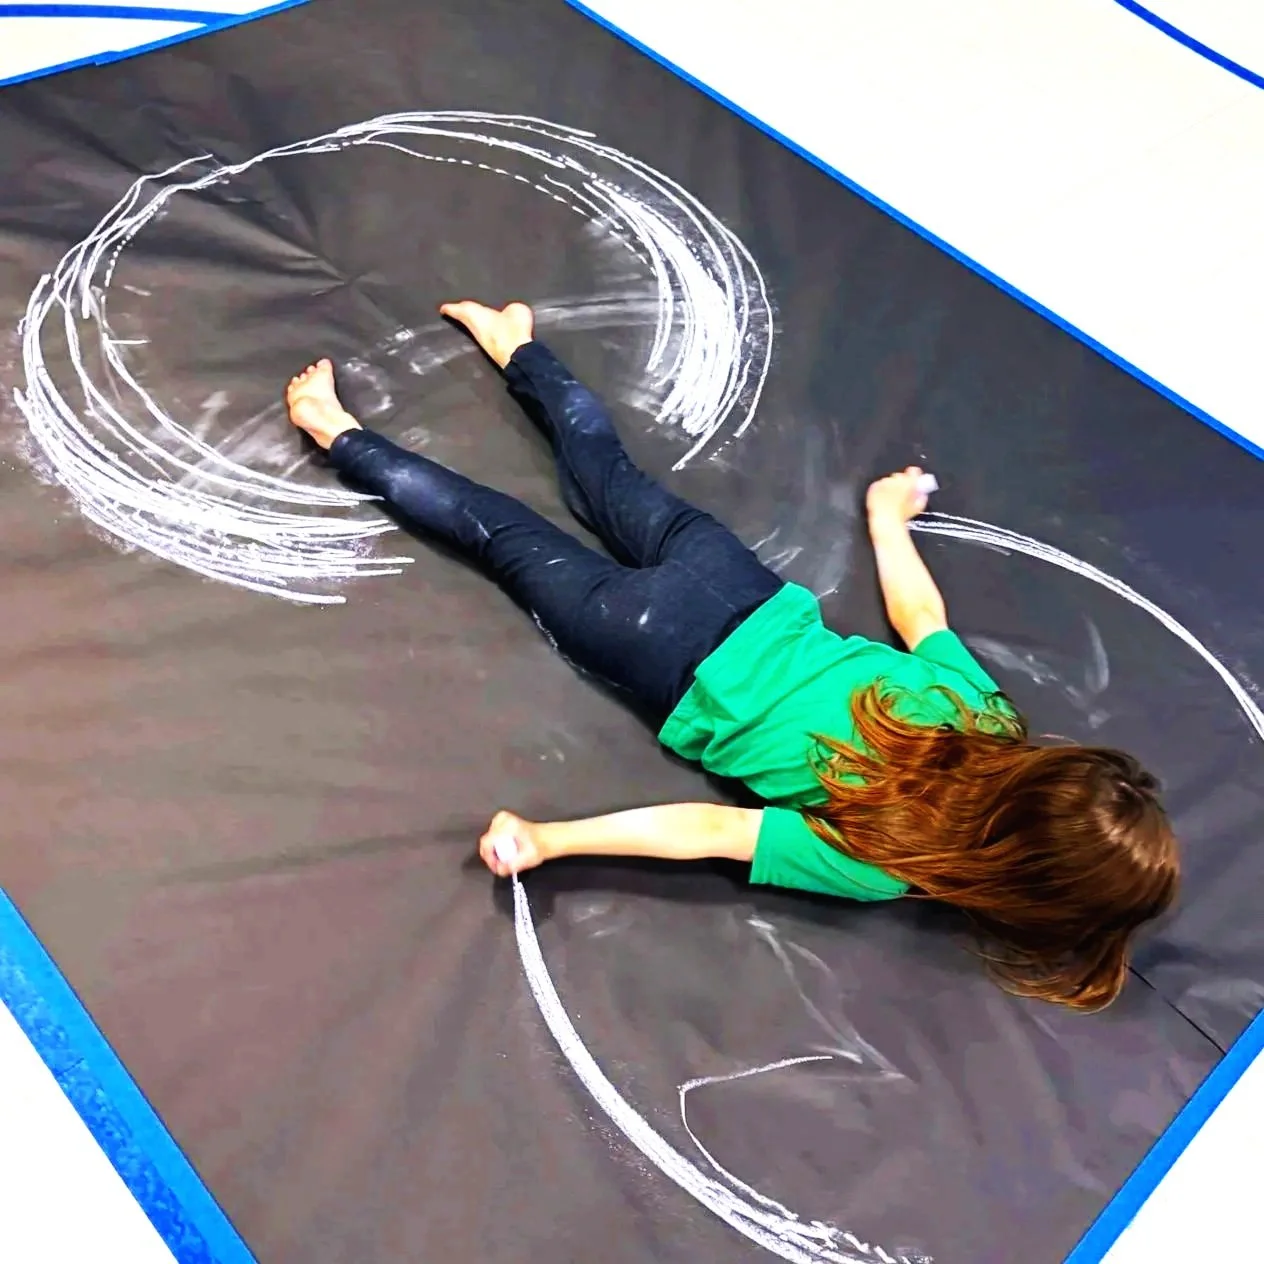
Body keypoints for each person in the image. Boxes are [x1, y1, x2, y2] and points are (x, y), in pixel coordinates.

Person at [286, 300, 1179, 1011]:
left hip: (738, 587)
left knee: (611, 475)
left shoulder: (984, 716)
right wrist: (551, 841)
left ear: (1049, 767)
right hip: (658, 652)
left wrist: (884, 520)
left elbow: (920, 617)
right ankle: (336, 431)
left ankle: (521, 348)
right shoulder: (884, 861)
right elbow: (710, 831)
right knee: (499, 532)